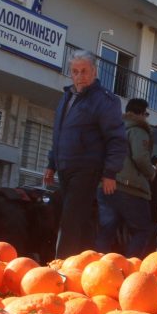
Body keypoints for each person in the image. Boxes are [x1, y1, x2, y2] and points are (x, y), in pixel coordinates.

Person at [43, 50, 126, 259]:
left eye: (84, 71)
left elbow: (116, 138)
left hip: (87, 167)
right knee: (74, 217)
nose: (79, 76)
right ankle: (86, 262)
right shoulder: (67, 97)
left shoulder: (105, 100)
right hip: (64, 167)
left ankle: (61, 267)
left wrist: (110, 172)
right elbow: (59, 133)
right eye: (75, 71)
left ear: (94, 72)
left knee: (70, 219)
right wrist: (51, 163)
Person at [95, 98, 155, 258]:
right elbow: (140, 157)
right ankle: (130, 269)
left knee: (106, 230)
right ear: (141, 113)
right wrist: (152, 172)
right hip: (129, 188)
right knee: (142, 230)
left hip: (106, 184)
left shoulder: (113, 129)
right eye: (146, 114)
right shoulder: (138, 130)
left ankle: (98, 266)